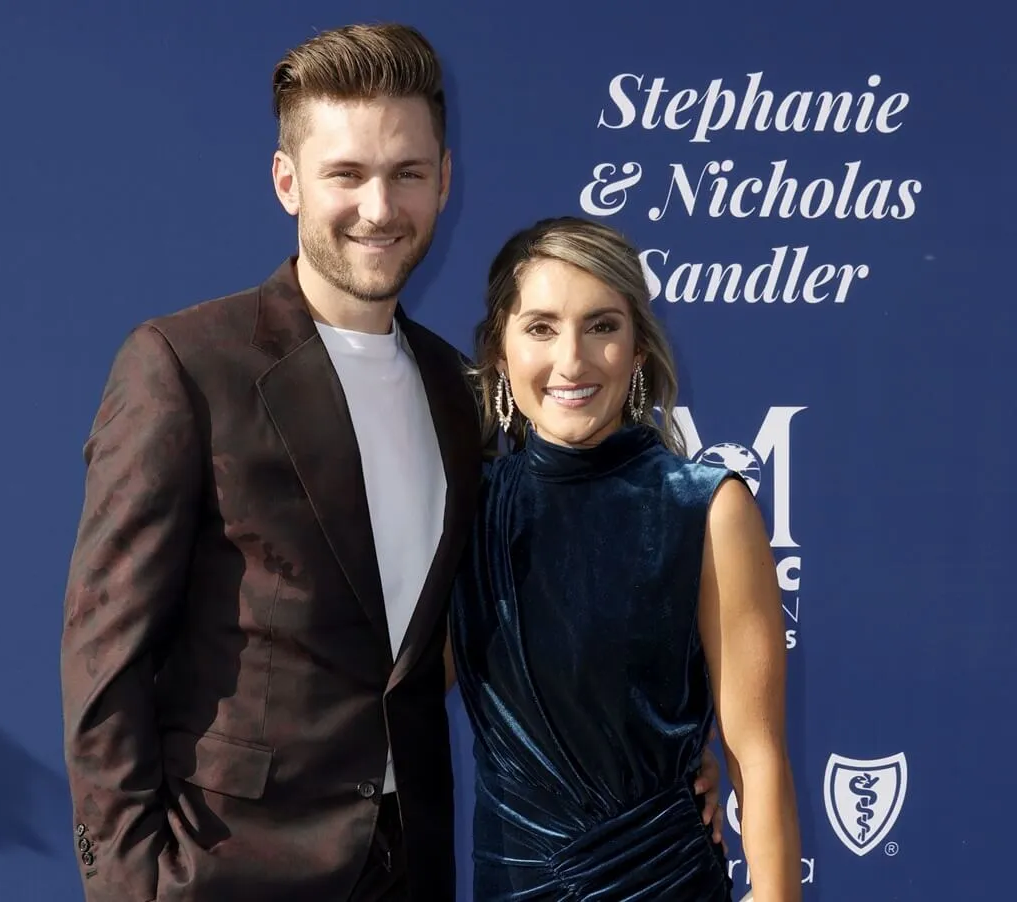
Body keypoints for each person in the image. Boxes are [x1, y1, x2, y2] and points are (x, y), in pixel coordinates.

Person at [60, 23, 723, 902]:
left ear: (445, 180)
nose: (379, 207)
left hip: (411, 866)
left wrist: (667, 761)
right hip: (223, 867)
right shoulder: (186, 366)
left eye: (406, 173)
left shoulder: (462, 391)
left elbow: (521, 620)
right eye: (347, 174)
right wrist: (129, 883)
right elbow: (105, 660)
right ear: (287, 181)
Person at [450, 216, 801, 901]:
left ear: (638, 348)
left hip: (663, 882)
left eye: (602, 326)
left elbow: (756, 756)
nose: (573, 361)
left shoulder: (703, 507)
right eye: (541, 328)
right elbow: (394, 690)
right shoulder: (466, 509)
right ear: (500, 350)